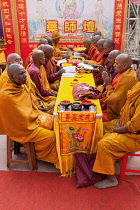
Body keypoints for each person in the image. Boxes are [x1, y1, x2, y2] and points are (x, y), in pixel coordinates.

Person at [0, 63, 59, 167]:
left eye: (25, 73)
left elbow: (29, 105)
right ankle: (38, 155)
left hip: (30, 118)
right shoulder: (6, 95)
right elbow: (18, 118)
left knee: (54, 122)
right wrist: (37, 117)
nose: (25, 76)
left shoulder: (20, 86)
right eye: (21, 74)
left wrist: (37, 111)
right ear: (12, 77)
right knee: (51, 137)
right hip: (22, 128)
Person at [93, 66, 140, 189]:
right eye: (139, 69)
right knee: (100, 127)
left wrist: (116, 130)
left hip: (134, 136)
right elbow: (127, 109)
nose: (138, 72)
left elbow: (135, 126)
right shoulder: (137, 86)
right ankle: (103, 162)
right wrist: (119, 122)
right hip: (123, 123)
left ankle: (111, 178)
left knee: (104, 144)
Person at [102, 54, 137, 121]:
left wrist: (108, 84)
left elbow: (115, 101)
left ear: (124, 66)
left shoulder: (128, 78)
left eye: (116, 63)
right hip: (109, 105)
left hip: (116, 113)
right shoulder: (122, 73)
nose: (114, 65)